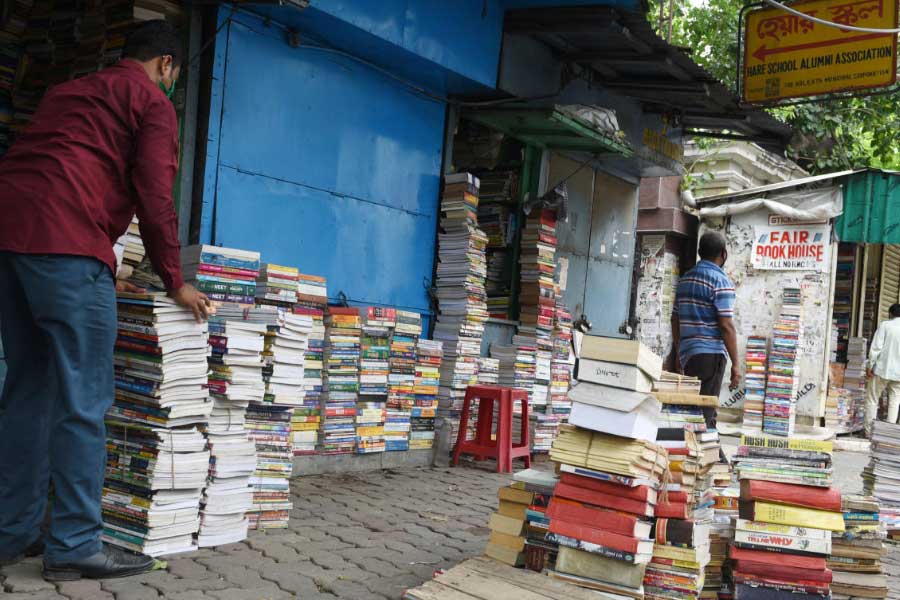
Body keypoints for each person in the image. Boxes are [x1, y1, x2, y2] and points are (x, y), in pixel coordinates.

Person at [0, 21, 210, 581]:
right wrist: (174, 278)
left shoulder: (67, 93)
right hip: (67, 246)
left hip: (12, 245)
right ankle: (73, 545)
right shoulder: (151, 102)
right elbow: (154, 193)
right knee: (83, 400)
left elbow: (56, 169)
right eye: (176, 73)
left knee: (26, 390)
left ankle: (11, 533)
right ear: (167, 64)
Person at [671, 231, 740, 431]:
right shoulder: (721, 281)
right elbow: (726, 326)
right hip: (711, 356)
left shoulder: (685, 280)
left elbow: (675, 318)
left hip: (688, 355)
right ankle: (708, 456)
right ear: (723, 254)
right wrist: (736, 365)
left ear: (700, 252)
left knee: (694, 410)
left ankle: (709, 454)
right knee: (705, 414)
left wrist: (678, 351)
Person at [865, 303, 900, 436]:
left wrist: (870, 365)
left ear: (891, 314)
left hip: (881, 370)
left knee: (873, 399)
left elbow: (876, 348)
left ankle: (869, 432)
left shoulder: (886, 325)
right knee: (895, 402)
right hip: (898, 374)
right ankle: (888, 434)